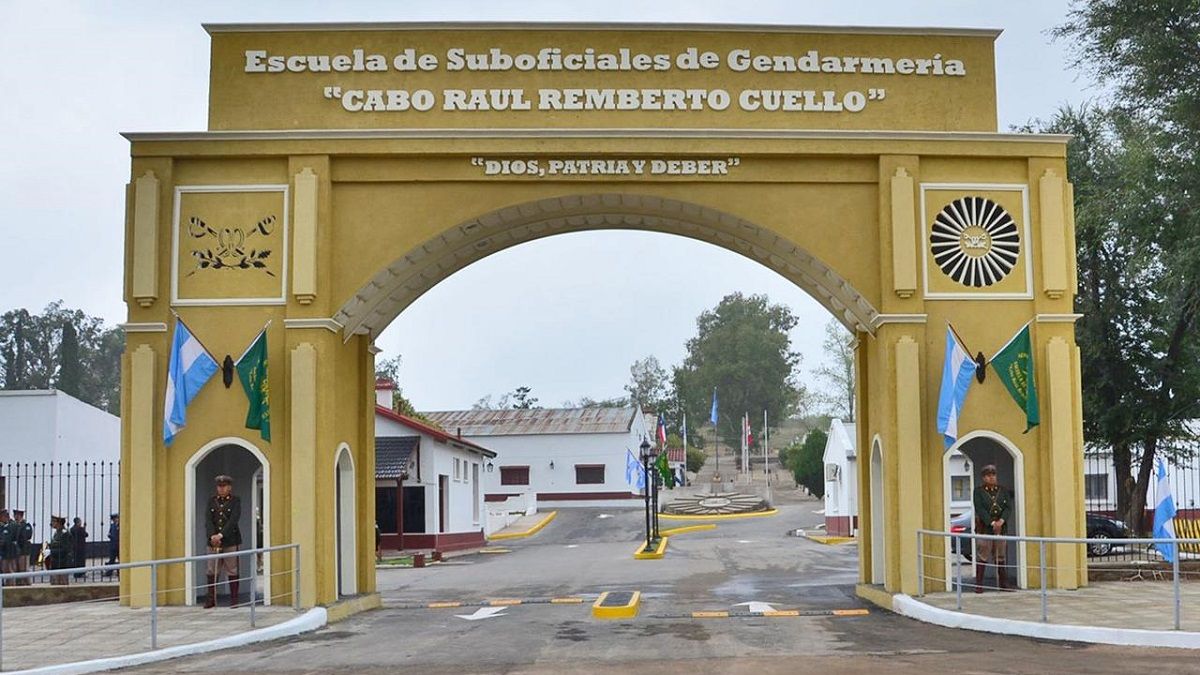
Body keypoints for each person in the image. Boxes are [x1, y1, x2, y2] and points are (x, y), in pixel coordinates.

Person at [973, 464, 1013, 592]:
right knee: (983, 555)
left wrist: (1001, 521)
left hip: (1001, 528)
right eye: (988, 476)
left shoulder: (1003, 491)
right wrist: (992, 523)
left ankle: (1003, 583)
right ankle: (979, 584)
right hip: (985, 529)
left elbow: (1008, 508)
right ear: (983, 477)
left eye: (993, 475)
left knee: (1000, 556)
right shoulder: (978, 492)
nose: (991, 478)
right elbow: (980, 509)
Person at [205, 475, 242, 609]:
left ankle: (234, 599)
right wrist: (212, 536)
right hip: (213, 542)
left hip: (230, 540)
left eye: (224, 486)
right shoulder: (212, 501)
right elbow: (208, 520)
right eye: (219, 486)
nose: (221, 489)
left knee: (232, 569)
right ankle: (211, 599)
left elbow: (233, 520)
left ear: (229, 487)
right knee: (211, 570)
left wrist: (221, 535)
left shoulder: (235, 501)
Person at [47, 515, 72, 585]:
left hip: (62, 562)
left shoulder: (65, 533)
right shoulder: (57, 533)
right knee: (54, 582)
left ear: (59, 523)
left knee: (62, 583)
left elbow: (65, 550)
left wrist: (51, 551)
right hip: (55, 561)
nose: (51, 523)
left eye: (53, 521)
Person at [13, 509, 32, 585]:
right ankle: (19, 585)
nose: (15, 517)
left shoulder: (26, 525)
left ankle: (28, 585)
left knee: (23, 570)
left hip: (23, 550)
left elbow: (27, 536)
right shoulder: (15, 525)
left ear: (20, 516)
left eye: (16, 515)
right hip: (16, 551)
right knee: (17, 570)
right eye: (15, 515)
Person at [0, 509, 16, 584]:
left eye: (6, 516)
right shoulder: (3, 526)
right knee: (4, 569)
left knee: (8, 569)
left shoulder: (10, 526)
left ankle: (11, 586)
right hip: (3, 551)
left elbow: (8, 539)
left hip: (8, 551)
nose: (5, 518)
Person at [103, 513, 119, 578]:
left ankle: (120, 572)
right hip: (113, 545)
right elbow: (110, 533)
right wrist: (110, 536)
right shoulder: (112, 525)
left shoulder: (120, 525)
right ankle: (109, 572)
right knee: (112, 560)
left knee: (121, 559)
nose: (115, 520)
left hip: (118, 545)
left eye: (115, 518)